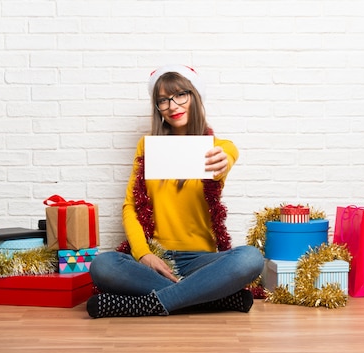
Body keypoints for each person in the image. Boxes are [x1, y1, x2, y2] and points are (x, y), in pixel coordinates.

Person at [86, 64, 264, 318]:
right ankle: (207, 299)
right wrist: (144, 254)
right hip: (156, 260)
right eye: (163, 100)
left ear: (195, 96)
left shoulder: (217, 148)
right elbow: (131, 208)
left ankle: (149, 304)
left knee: (250, 258)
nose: (172, 105)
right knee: (103, 265)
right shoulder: (146, 146)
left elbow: (228, 154)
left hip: (201, 262)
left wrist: (226, 158)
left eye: (181, 94)